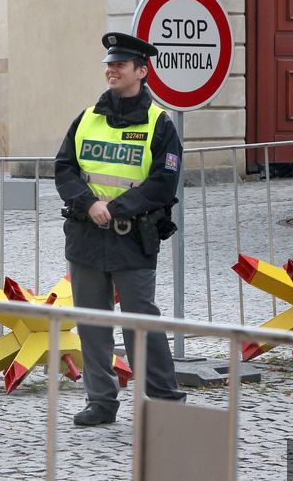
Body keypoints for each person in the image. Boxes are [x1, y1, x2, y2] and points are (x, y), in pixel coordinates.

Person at [55, 32, 187, 427]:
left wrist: (114, 208)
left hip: (133, 235)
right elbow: (64, 168)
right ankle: (101, 402)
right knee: (92, 322)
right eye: (109, 65)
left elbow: (164, 183)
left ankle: (165, 401)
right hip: (86, 235)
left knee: (140, 319)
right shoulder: (87, 117)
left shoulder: (158, 122)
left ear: (141, 72)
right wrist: (89, 203)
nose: (112, 70)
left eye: (121, 65)